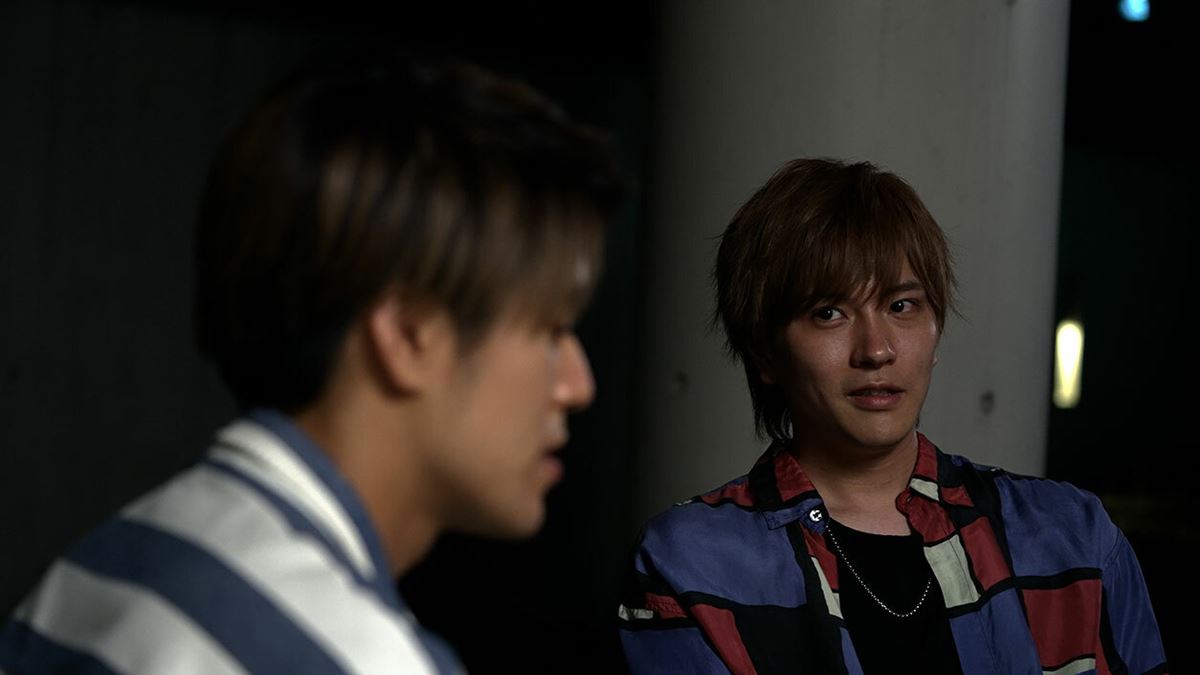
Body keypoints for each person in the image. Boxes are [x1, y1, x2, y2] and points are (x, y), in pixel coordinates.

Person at [0, 59, 621, 674]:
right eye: (551, 331)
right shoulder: (358, 659)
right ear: (408, 335)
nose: (578, 386)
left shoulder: (105, 563)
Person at [618, 158, 1166, 674]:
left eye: (902, 306)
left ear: (936, 329)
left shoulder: (1073, 536)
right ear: (764, 353)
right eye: (829, 313)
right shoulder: (691, 562)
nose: (877, 350)